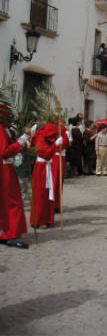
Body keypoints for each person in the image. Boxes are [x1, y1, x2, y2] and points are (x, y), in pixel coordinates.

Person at [0, 103, 29, 248]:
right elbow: (4, 152)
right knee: (14, 202)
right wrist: (20, 143)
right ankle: (13, 235)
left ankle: (5, 233)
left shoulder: (4, 129)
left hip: (6, 167)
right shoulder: (0, 129)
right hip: (4, 169)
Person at [30, 122, 62, 228]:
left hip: (46, 167)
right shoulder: (40, 139)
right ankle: (39, 220)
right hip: (41, 168)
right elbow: (46, 154)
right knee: (41, 194)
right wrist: (56, 145)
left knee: (47, 193)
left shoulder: (45, 138)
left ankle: (47, 218)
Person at [51, 120, 69, 213]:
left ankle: (56, 204)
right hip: (56, 157)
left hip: (61, 157)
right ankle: (52, 204)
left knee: (59, 181)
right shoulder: (55, 132)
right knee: (54, 181)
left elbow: (66, 144)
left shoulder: (64, 133)